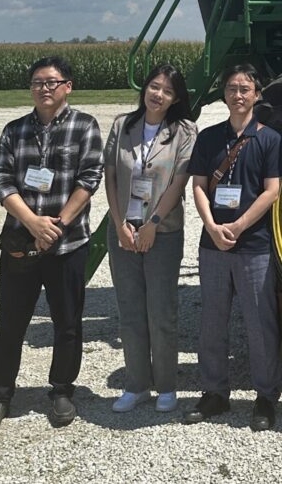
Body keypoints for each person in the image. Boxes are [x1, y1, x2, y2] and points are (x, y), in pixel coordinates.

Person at [0, 56, 103, 434]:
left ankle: (62, 390)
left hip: (67, 244)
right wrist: (32, 222)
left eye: (52, 82)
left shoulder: (85, 126)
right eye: (37, 83)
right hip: (20, 243)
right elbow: (1, 180)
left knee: (67, 323)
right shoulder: (14, 130)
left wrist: (57, 225)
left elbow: (90, 177)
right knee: (10, 323)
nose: (44, 89)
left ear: (68, 86)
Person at [183, 64, 282, 431]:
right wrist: (211, 225)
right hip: (212, 245)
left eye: (245, 88)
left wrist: (239, 225)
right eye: (231, 88)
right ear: (224, 95)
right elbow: (198, 185)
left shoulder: (269, 139)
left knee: (260, 324)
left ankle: (266, 397)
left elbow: (272, 191)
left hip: (253, 244)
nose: (238, 95)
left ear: (257, 94)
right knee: (212, 321)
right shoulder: (208, 137)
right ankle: (214, 393)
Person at [104, 64, 197, 415]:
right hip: (124, 232)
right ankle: (136, 385)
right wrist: (119, 224)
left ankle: (167, 386)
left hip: (163, 232)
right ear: (145, 89)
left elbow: (179, 182)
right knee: (129, 312)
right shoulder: (121, 125)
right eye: (154, 87)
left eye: (167, 91)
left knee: (161, 312)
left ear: (176, 99)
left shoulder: (185, 131)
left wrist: (153, 223)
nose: (158, 95)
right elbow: (111, 176)